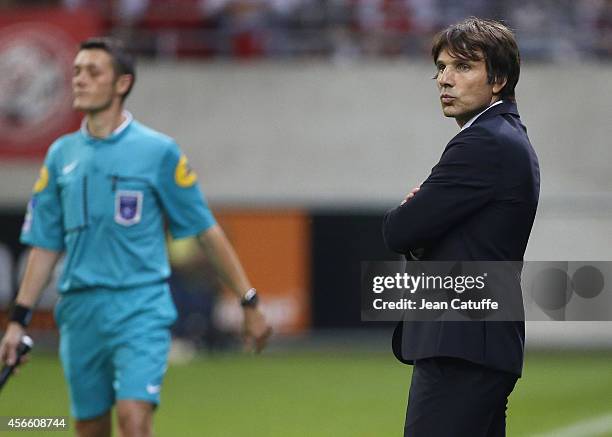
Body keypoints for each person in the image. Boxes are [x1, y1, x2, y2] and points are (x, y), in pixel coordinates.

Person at [0, 37, 271, 437]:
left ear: (122, 83)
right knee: (90, 429)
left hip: (139, 308)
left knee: (133, 420)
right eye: (76, 71)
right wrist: (17, 321)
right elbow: (45, 243)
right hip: (79, 312)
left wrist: (249, 300)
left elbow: (205, 230)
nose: (79, 80)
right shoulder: (61, 155)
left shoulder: (158, 152)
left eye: (93, 72)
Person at [382, 18, 540, 437]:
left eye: (463, 67)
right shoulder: (504, 137)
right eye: (440, 67)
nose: (444, 79)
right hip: (479, 344)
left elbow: (399, 231)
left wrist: (413, 221)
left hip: (461, 345)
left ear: (498, 79)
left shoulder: (483, 142)